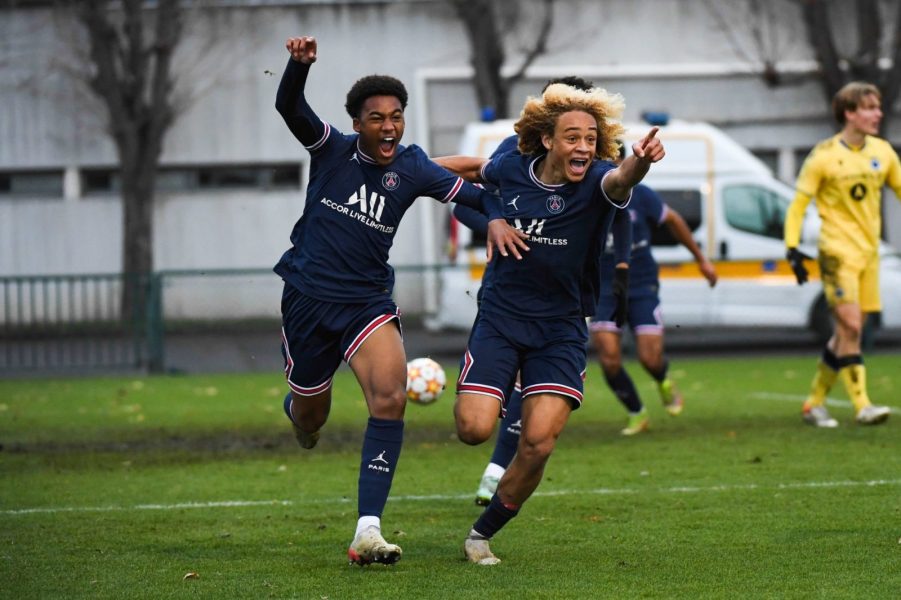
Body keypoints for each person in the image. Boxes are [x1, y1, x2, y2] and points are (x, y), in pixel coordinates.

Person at [273, 35, 527, 567]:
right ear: (357, 123)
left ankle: (368, 530)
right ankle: (298, 412)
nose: (388, 126)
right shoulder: (331, 149)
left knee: (390, 400)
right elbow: (288, 106)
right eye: (376, 118)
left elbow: (473, 195)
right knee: (312, 417)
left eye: (396, 116)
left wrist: (498, 214)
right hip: (307, 298)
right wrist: (298, 68)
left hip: (366, 303)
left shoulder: (411, 167)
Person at [439, 82, 664, 564]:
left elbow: (624, 178)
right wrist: (400, 168)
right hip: (501, 318)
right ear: (548, 140)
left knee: (539, 443)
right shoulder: (513, 169)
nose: (582, 146)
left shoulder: (601, 181)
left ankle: (481, 535)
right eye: (572, 137)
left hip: (560, 329)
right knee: (473, 429)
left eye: (590, 138)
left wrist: (642, 159)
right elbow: (474, 172)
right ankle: (495, 390)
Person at [784, 81, 900, 427]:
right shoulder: (822, 156)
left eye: (878, 107)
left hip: (869, 254)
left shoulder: (884, 153)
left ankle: (814, 403)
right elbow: (797, 206)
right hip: (836, 252)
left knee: (847, 334)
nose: (877, 113)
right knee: (850, 325)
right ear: (849, 113)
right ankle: (862, 404)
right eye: (869, 107)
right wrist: (791, 247)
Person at [590, 147, 718, 436]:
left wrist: (702, 260)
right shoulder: (587, 194)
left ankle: (662, 379)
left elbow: (673, 220)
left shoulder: (641, 194)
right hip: (604, 289)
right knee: (609, 358)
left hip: (642, 284)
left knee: (649, 358)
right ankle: (637, 412)